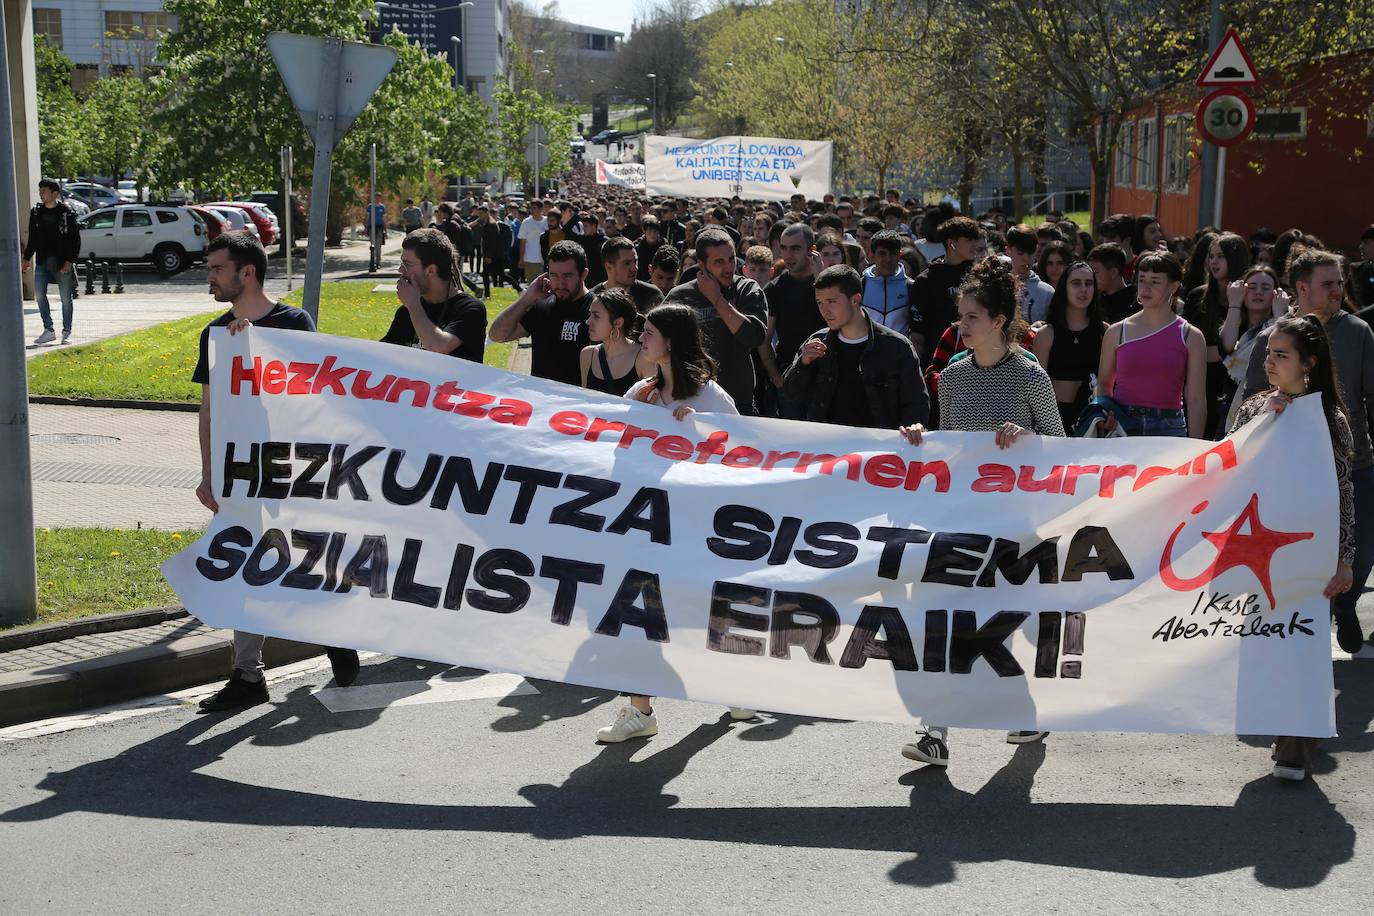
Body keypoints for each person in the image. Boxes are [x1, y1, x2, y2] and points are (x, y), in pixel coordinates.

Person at [896, 257, 1064, 766]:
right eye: (960, 315)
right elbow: (952, 448)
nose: (961, 325)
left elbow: (1062, 449)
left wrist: (1029, 437)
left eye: (971, 317)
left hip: (1016, 524)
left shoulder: (1030, 376)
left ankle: (1023, 714)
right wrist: (921, 439)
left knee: (995, 626)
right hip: (962, 520)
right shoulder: (952, 376)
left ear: (998, 321)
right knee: (947, 621)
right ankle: (935, 732)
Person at [192, 232, 359, 711]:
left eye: (218, 269)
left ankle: (334, 631)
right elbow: (209, 410)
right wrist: (209, 473)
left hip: (293, 469)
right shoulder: (215, 334)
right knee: (247, 566)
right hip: (242, 474)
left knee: (301, 556)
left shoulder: (293, 324)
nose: (210, 279)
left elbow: (312, 397)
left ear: (247, 273)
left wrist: (258, 350)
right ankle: (248, 674)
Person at [597, 303, 752, 742]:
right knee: (639, 615)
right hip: (645, 525)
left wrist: (700, 435)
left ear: (672, 341)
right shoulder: (640, 393)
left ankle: (735, 684)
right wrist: (635, 419)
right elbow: (613, 453)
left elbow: (745, 457)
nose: (641, 339)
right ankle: (639, 710)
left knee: (700, 613)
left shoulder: (711, 399)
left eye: (649, 332)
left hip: (695, 529)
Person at [1229, 314, 1354, 782]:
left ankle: (1294, 745)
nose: (1270, 362)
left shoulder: (1330, 419)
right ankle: (1300, 729)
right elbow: (1226, 467)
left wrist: (1344, 559)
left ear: (1309, 362)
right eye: (1268, 352)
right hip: (1257, 550)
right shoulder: (1253, 408)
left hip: (1310, 552)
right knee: (1265, 645)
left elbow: (1343, 493)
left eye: (1281, 354)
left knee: (1301, 643)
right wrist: (1263, 420)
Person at [1244, 248, 1374, 653]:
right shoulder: (1272, 338)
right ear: (1302, 288)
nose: (1338, 290)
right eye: (1328, 283)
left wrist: (1344, 562)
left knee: (1360, 554)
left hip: (1354, 466)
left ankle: (1344, 605)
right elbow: (1243, 419)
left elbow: (1372, 395)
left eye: (1340, 282)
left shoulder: (1358, 333)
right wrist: (1262, 414)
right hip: (1280, 492)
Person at [783, 264, 929, 428]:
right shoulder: (817, 342)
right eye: (819, 302)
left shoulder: (897, 347)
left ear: (855, 299)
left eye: (831, 301)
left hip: (878, 441)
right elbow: (790, 394)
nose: (825, 310)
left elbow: (916, 403)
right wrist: (802, 365)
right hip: (826, 441)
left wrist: (914, 426)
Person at [1095, 253, 1208, 437]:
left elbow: (1196, 399)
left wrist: (1196, 446)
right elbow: (1104, 384)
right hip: (1123, 424)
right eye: (1142, 280)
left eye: (1155, 281)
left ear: (1173, 286)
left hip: (1170, 427)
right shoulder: (1116, 332)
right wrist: (1107, 415)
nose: (1146, 288)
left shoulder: (1191, 336)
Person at [664, 227, 768, 415]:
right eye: (719, 262)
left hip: (738, 402)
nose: (728, 268)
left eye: (731, 259)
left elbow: (754, 337)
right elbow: (657, 343)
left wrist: (717, 299)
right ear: (702, 265)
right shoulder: (680, 296)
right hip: (690, 402)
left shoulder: (746, 289)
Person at [489, 240, 594, 386]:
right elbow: (496, 335)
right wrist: (527, 298)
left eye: (567, 276)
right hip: (539, 397)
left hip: (576, 399)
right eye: (554, 275)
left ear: (583, 274)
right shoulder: (541, 306)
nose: (560, 284)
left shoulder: (596, 311)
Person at [1183, 232, 1251, 437]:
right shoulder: (1198, 296)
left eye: (1221, 256)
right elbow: (1188, 345)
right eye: (1211, 256)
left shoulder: (1250, 297)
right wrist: (1227, 353)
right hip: (1203, 383)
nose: (1214, 262)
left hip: (1237, 385)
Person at [385, 228, 486, 361]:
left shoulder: (470, 309)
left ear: (431, 270)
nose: (400, 270)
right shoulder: (406, 312)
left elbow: (438, 347)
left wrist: (413, 304)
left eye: (407, 264)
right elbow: (382, 356)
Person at [1032, 260, 1106, 433]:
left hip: (1093, 418)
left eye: (1089, 283)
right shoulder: (1046, 334)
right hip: (1054, 417)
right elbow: (1037, 389)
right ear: (1064, 288)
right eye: (1076, 283)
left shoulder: (1105, 332)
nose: (1083, 289)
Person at [766, 224, 826, 420]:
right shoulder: (774, 288)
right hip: (790, 375)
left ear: (812, 250)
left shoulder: (829, 285)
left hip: (825, 373)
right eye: (783, 248)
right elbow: (764, 338)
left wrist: (821, 280)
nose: (788, 255)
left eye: (795, 248)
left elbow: (838, 321)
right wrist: (776, 376)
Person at [1220, 266, 1287, 430]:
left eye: (1265, 288)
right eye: (1252, 287)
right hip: (1231, 404)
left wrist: (1281, 315)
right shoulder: (1235, 323)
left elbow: (1284, 347)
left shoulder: (1283, 322)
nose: (1258, 292)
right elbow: (1226, 345)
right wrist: (1234, 303)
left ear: (1276, 294)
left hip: (1270, 405)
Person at [910, 216, 983, 362]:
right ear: (951, 243)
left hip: (979, 359)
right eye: (969, 240)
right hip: (938, 360)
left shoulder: (981, 275)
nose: (975, 245)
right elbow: (918, 332)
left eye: (975, 239)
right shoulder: (926, 280)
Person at [22, 178, 81, 346]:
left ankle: (66, 332)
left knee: (65, 298)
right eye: (40, 191)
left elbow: (75, 240)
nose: (41, 194)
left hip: (61, 261)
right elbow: (33, 238)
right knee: (40, 295)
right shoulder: (36, 212)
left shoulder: (66, 212)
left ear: (55, 194)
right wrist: (26, 258)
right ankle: (48, 330)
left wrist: (69, 261)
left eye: (44, 191)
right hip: (42, 261)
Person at [579, 287, 643, 397]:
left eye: (596, 316)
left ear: (617, 323)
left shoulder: (643, 359)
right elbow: (585, 401)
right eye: (590, 314)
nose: (588, 321)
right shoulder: (588, 355)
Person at [860, 229, 917, 338]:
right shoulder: (860, 285)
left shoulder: (911, 287)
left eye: (893, 254)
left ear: (900, 254)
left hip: (900, 348)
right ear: (872, 255)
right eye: (882, 254)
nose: (888, 259)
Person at [592, 235, 663, 317]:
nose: (634, 268)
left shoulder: (651, 295)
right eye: (627, 263)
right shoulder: (593, 298)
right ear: (609, 267)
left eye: (635, 261)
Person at [1005, 224, 1055, 325]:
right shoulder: (997, 287)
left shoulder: (1047, 292)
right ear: (1008, 250)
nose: (1026, 259)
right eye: (1020, 253)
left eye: (1031, 253)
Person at [1089, 243, 1136, 324]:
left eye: (1095, 272)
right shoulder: (1094, 302)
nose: (1090, 276)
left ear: (1113, 272)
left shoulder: (1136, 303)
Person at [518, 200, 548, 281]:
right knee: (531, 284)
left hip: (543, 260)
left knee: (543, 285)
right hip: (529, 260)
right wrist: (521, 259)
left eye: (534, 208)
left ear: (541, 209)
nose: (531, 210)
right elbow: (522, 242)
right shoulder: (526, 222)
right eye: (531, 208)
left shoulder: (547, 221)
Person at [365, 193, 387, 272]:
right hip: (372, 228)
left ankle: (378, 262)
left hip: (380, 228)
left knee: (378, 246)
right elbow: (367, 218)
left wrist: (385, 230)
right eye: (376, 198)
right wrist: (366, 228)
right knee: (372, 246)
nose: (377, 199)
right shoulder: (370, 206)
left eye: (378, 198)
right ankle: (372, 262)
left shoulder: (382, 207)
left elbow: (384, 219)